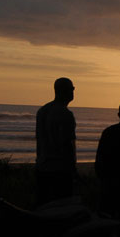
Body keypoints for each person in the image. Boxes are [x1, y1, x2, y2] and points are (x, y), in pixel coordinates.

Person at [35, 77, 77, 205]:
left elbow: (39, 140)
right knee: (62, 206)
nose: (73, 91)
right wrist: (72, 168)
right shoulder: (65, 114)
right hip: (60, 169)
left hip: (42, 167)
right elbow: (67, 143)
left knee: (45, 206)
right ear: (65, 91)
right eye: (72, 88)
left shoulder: (42, 111)